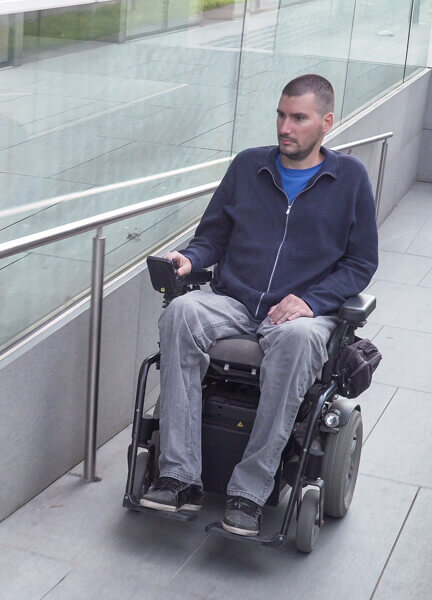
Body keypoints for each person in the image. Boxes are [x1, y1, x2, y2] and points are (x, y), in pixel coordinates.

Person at [139, 74, 378, 537]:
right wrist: (189, 258)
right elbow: (212, 237)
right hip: (235, 300)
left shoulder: (349, 179)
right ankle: (179, 477)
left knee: (299, 340)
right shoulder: (249, 166)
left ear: (326, 122)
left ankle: (249, 493)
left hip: (299, 315)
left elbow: (361, 262)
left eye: (298, 118)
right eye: (281, 115)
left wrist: (311, 301)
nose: (285, 127)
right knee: (181, 314)